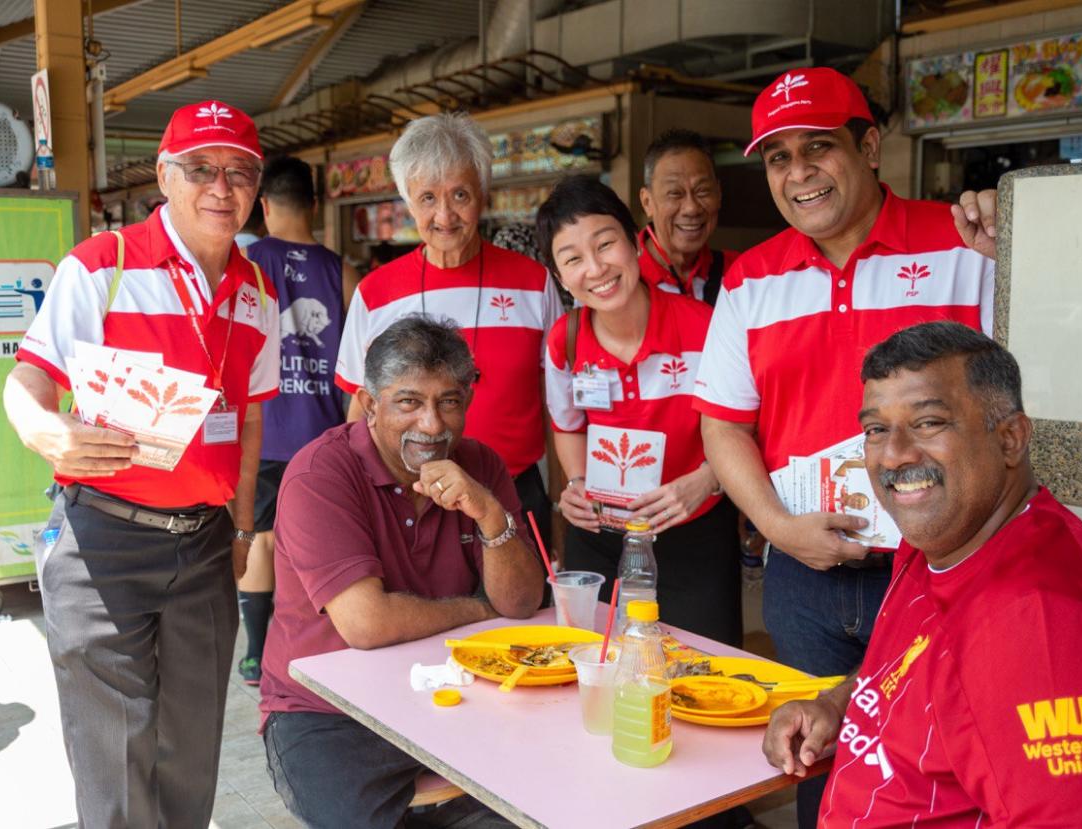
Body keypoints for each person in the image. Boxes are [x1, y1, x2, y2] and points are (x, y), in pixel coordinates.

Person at [693, 67, 997, 825]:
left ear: (869, 146)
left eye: (818, 147)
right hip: (805, 570)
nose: (799, 174)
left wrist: (1016, 239)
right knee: (816, 760)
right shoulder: (752, 280)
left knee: (944, 755)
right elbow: (724, 422)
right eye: (778, 157)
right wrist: (775, 527)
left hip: (941, 568)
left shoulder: (964, 245)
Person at [763, 321, 1082, 827]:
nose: (894, 454)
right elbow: (910, 667)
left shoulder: (1035, 629)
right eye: (875, 429)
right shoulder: (939, 539)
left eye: (929, 423)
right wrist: (836, 703)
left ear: (1010, 439)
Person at [3, 99, 279, 826]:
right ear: (165, 174)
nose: (222, 187)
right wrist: (44, 431)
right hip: (103, 543)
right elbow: (24, 380)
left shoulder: (257, 292)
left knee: (191, 752)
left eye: (240, 171)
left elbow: (249, 417)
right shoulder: (103, 267)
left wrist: (245, 527)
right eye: (200, 169)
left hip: (204, 541)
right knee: (116, 764)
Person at [259, 316, 543, 828]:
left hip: (453, 692)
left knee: (541, 807)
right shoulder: (320, 471)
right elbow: (367, 624)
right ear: (370, 405)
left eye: (449, 402)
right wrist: (479, 611)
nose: (433, 425)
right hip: (327, 713)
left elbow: (520, 603)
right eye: (409, 402)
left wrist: (489, 514)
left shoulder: (480, 466)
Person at [337, 112, 562, 544]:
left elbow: (555, 406)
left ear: (483, 194)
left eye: (460, 194)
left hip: (514, 493)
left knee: (526, 611)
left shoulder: (533, 283)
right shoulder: (376, 293)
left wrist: (558, 507)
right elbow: (360, 412)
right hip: (411, 501)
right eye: (426, 198)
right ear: (407, 202)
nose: (444, 215)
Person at [537, 175, 741, 646]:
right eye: (572, 259)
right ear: (559, 276)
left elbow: (743, 426)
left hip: (693, 530)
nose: (596, 268)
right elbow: (568, 426)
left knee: (702, 668)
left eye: (605, 244)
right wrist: (577, 483)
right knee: (598, 659)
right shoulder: (564, 342)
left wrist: (708, 479)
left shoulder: (706, 328)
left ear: (634, 242)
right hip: (602, 536)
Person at [235, 155, 362, 685]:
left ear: (263, 206)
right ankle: (323, 645)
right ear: (316, 204)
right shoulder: (344, 271)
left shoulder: (241, 262)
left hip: (262, 431)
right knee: (326, 538)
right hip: (326, 436)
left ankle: (256, 653)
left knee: (261, 539)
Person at [637, 128, 737, 307]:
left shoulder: (741, 274)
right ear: (647, 202)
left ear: (719, 194)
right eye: (675, 193)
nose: (691, 208)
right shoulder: (620, 281)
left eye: (702, 191)